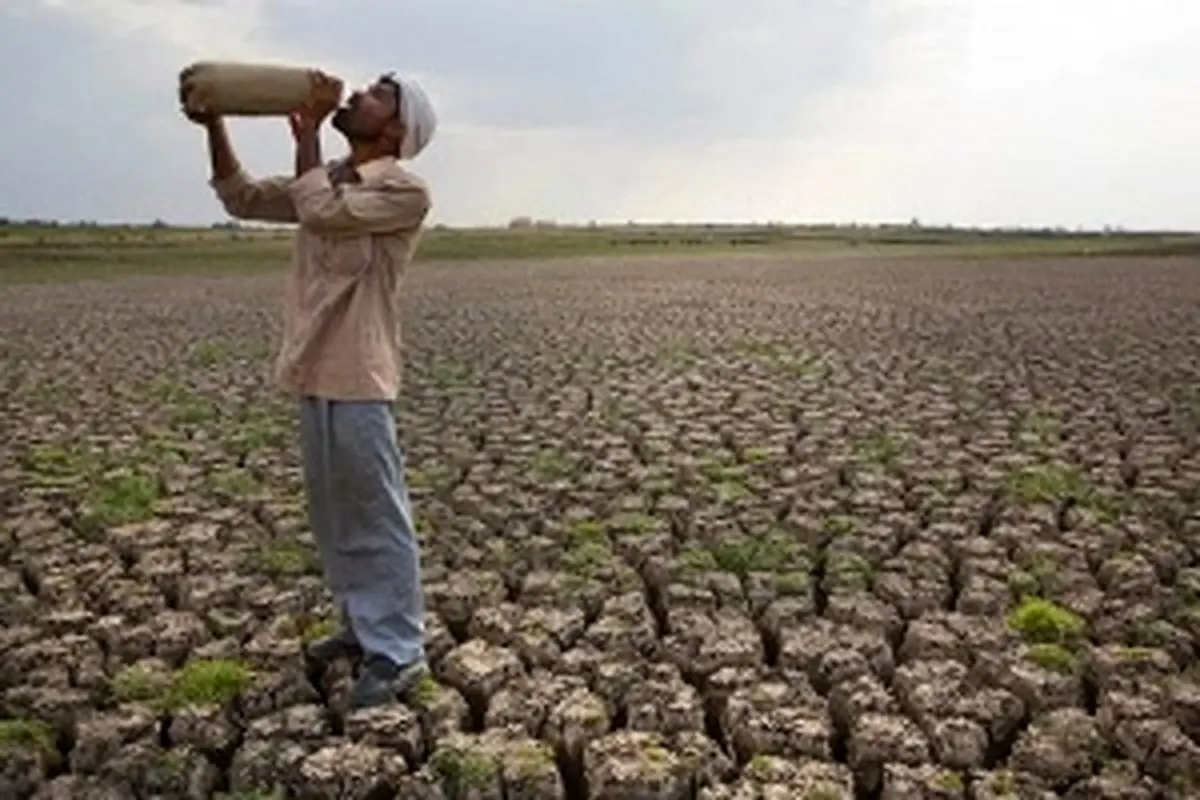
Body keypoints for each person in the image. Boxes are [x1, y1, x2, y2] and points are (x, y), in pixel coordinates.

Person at [178, 67, 438, 708]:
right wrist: (216, 122)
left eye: (376, 94)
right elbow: (239, 197)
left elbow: (319, 211)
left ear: (399, 127)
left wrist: (311, 133)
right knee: (333, 516)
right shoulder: (331, 177)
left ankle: (400, 652)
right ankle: (359, 628)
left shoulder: (404, 190)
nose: (357, 95)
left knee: (375, 512)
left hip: (359, 371)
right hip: (314, 367)